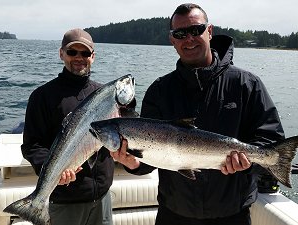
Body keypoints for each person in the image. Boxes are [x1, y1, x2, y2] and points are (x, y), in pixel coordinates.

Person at [111, 3, 285, 225]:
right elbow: (150, 160)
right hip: (174, 214)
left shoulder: (246, 84)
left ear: (209, 31)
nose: (189, 39)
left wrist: (249, 162)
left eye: (196, 30)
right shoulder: (159, 91)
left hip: (232, 215)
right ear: (172, 40)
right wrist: (132, 162)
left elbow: (272, 139)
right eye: (180, 33)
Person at [21, 28, 114, 225]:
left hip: (103, 197)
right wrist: (55, 170)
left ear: (93, 57)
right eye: (72, 52)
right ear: (61, 53)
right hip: (65, 202)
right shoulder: (42, 96)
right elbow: (32, 145)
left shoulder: (105, 96)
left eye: (85, 53)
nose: (79, 58)